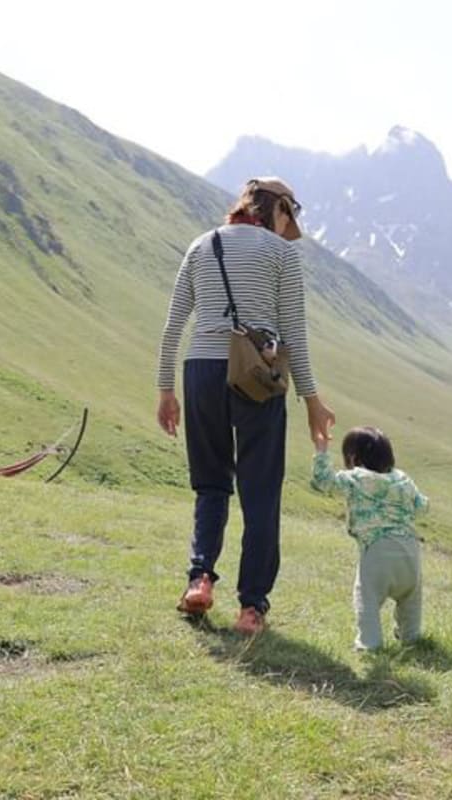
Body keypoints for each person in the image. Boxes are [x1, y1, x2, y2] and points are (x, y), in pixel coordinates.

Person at [156, 177, 336, 635]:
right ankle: (251, 608)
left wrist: (166, 391)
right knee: (260, 493)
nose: (287, 227)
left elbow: (175, 322)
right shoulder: (282, 255)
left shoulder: (201, 245)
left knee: (211, 484)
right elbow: (294, 334)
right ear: (278, 210)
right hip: (256, 378)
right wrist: (312, 401)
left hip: (200, 372)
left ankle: (199, 580)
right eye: (288, 217)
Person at [311, 426, 428, 651]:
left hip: (376, 549)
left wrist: (321, 450)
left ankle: (369, 644)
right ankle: (411, 638)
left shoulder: (356, 478)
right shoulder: (403, 479)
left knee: (367, 598)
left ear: (353, 457)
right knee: (410, 599)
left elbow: (322, 482)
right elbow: (422, 506)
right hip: (410, 551)